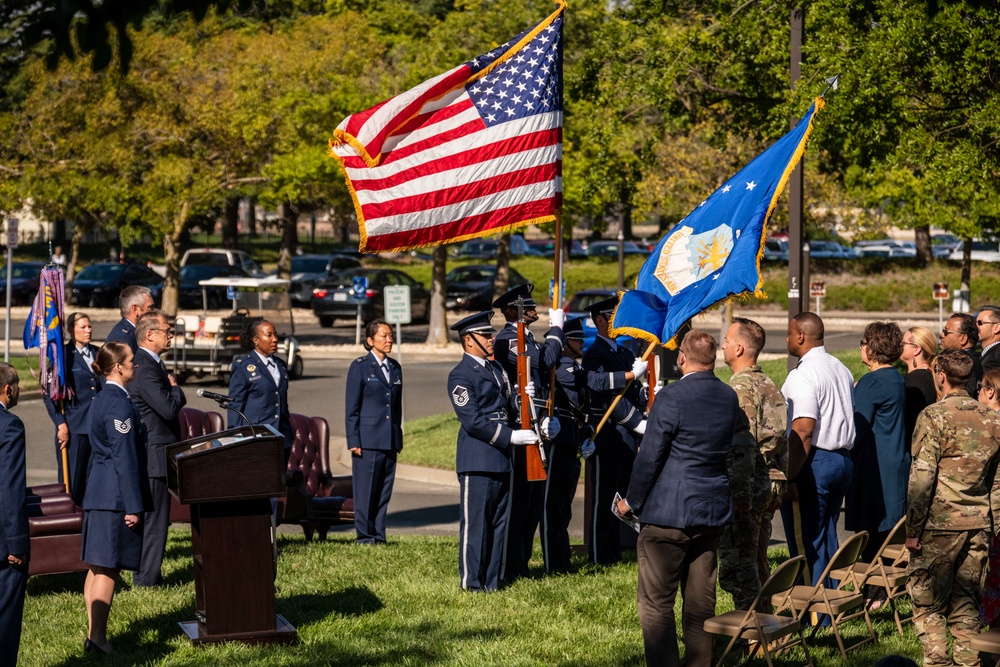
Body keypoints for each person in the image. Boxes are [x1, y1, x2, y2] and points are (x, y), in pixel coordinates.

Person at [616, 330, 744, 667]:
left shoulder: (672, 398)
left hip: (668, 514)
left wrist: (630, 501)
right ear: (713, 358)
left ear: (682, 358)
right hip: (712, 509)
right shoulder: (728, 396)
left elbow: (650, 457)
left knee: (657, 603)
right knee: (701, 602)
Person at [906, 349, 1000, 667]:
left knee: (925, 598)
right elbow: (997, 485)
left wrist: (912, 532)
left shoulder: (933, 416)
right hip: (979, 525)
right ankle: (969, 662)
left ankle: (937, 660)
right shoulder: (992, 419)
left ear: (941, 377)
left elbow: (921, 479)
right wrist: (995, 530)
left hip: (939, 526)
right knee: (966, 602)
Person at [446, 311, 538, 592]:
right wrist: (511, 437)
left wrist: (525, 399)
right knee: (476, 526)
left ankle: (492, 581)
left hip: (501, 458)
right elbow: (473, 421)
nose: (492, 339)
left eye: (491, 333)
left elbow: (508, 408)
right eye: (485, 335)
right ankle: (471, 583)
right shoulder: (460, 375)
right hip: (478, 457)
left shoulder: (496, 370)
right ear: (469, 341)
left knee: (499, 523)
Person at [544, 317, 643, 573]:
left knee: (563, 507)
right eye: (576, 340)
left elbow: (584, 406)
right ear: (565, 343)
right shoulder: (564, 366)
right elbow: (595, 385)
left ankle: (568, 560)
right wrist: (630, 374)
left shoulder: (581, 362)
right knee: (557, 506)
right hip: (564, 440)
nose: (580, 344)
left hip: (577, 439)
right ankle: (586, 557)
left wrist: (586, 432)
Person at [491, 283, 565, 581]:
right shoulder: (509, 339)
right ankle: (511, 565)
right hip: (518, 427)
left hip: (536, 424)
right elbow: (547, 361)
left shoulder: (527, 338)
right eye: (528, 306)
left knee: (533, 503)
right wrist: (557, 330)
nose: (535, 309)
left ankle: (521, 562)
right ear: (512, 311)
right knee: (520, 503)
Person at [780, 312, 856, 600]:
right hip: (842, 460)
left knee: (806, 541)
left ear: (800, 336)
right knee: (826, 536)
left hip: (815, 462)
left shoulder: (804, 374)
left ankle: (813, 613)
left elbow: (803, 430)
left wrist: (789, 476)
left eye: (789, 333)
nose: (787, 338)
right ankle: (832, 602)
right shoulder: (840, 368)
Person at [82, 342, 150, 655]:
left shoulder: (100, 399)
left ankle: (93, 634)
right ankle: (98, 639)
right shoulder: (119, 405)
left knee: (97, 568)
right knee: (107, 569)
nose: (135, 364)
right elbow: (124, 458)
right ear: (119, 367)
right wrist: (134, 505)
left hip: (99, 493)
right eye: (132, 361)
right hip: (115, 498)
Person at [718, 317, 788, 613]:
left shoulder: (740, 388)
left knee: (739, 564)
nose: (722, 345)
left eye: (726, 340)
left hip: (751, 483)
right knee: (757, 557)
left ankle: (752, 633)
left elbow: (742, 447)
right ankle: (769, 623)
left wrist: (739, 496)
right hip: (773, 479)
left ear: (739, 348)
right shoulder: (769, 382)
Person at [582, 295, 647, 565]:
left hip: (626, 439)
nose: (617, 321)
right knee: (604, 499)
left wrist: (643, 391)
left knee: (622, 496)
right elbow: (607, 396)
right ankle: (599, 555)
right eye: (611, 316)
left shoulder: (624, 352)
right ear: (599, 320)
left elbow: (631, 394)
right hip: (607, 435)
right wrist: (636, 422)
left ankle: (617, 551)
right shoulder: (594, 354)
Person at [129, 310, 185, 587]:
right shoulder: (146, 367)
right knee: (155, 522)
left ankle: (148, 574)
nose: (171, 335)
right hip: (154, 453)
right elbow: (168, 408)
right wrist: (176, 389)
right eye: (167, 330)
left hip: (158, 452)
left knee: (156, 520)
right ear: (149, 334)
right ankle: (146, 580)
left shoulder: (152, 363)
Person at [846, 322, 908, 568]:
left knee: (871, 530)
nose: (861, 347)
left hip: (875, 464)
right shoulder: (896, 377)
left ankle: (874, 590)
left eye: (863, 342)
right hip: (894, 458)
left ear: (872, 348)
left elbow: (857, 428)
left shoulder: (871, 382)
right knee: (890, 528)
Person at [345, 319, 403, 545]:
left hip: (389, 439)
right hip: (367, 440)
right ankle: (365, 536)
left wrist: (397, 436)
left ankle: (379, 535)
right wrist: (353, 439)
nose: (389, 340)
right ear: (370, 341)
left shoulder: (395, 367)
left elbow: (396, 408)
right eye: (384, 336)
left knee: (383, 491)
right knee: (366, 492)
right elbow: (352, 407)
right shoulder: (359, 367)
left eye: (390, 336)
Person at [43, 312, 101, 505]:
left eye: (89, 326)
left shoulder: (97, 353)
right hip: (74, 428)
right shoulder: (63, 357)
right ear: (70, 330)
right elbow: (48, 393)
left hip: (95, 427)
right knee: (72, 482)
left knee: (92, 480)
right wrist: (60, 424)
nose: (88, 331)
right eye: (83, 327)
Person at [228, 319, 293, 456]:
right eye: (269, 335)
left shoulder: (280, 365)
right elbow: (235, 405)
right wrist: (236, 437)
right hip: (257, 437)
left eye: (275, 335)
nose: (275, 339)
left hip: (281, 437)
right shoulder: (243, 366)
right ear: (256, 340)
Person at [0, 363, 28, 664]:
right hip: (2, 545)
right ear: (8, 389)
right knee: (5, 625)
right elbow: (10, 488)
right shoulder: (9, 425)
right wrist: (17, 543)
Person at [978, 369, 1000, 627]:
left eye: (981, 387)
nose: (978, 392)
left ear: (991, 392)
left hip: (993, 508)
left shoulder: (988, 426)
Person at [901, 326, 938, 446]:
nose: (899, 346)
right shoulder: (931, 376)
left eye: (903, 343)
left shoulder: (914, 380)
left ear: (916, 349)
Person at [940, 312, 981, 397]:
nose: (942, 335)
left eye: (946, 332)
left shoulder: (966, 363)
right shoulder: (973, 359)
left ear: (963, 338)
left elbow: (966, 400)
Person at [104, 285, 154, 352]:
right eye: (150, 307)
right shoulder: (123, 339)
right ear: (135, 309)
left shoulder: (134, 332)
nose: (154, 312)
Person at [977, 305, 1000, 374]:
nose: (975, 326)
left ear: (997, 328)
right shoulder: (990, 354)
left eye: (980, 323)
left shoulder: (994, 360)